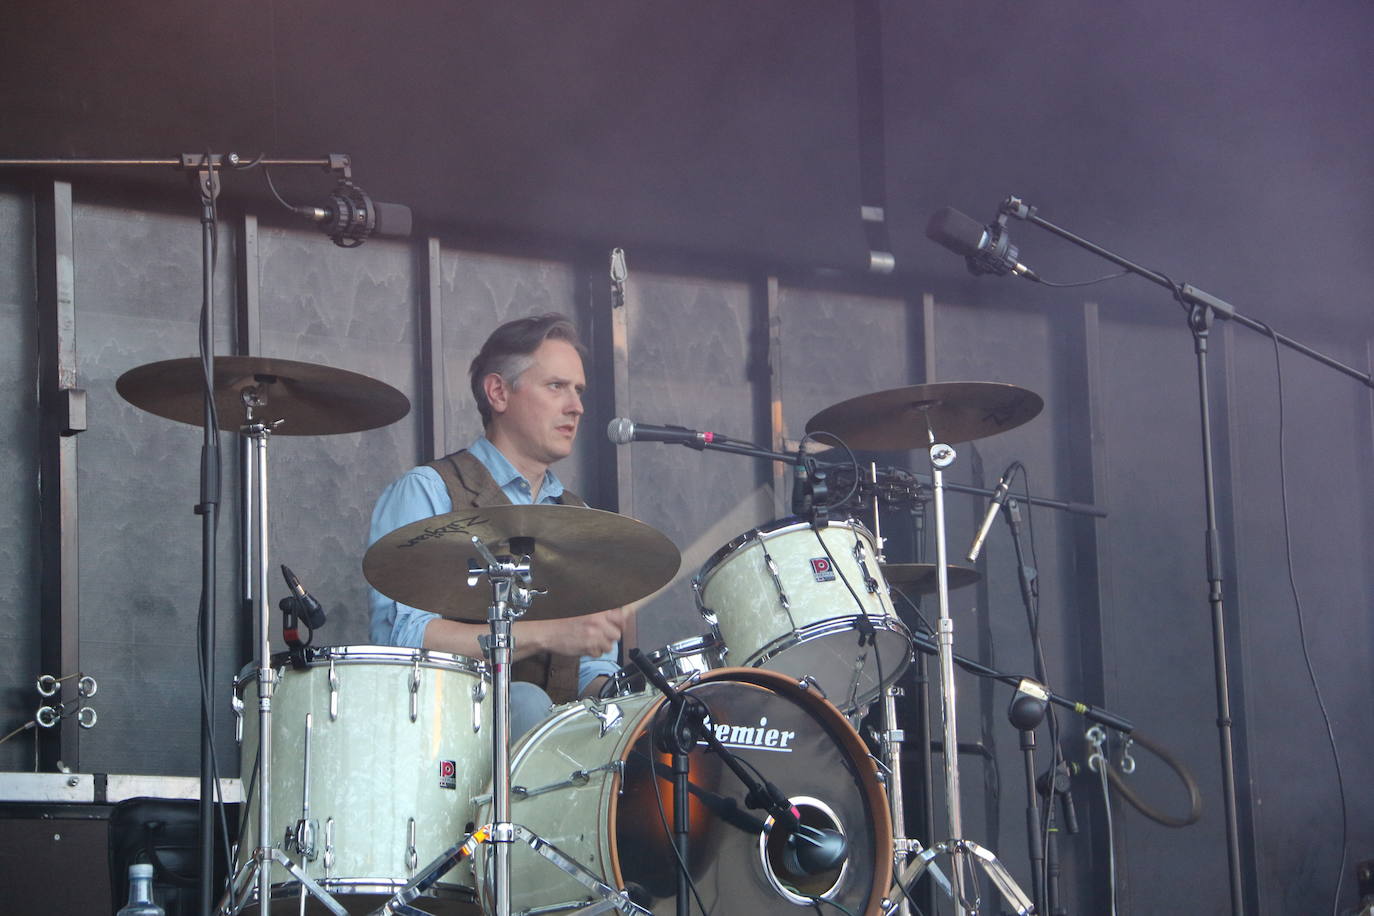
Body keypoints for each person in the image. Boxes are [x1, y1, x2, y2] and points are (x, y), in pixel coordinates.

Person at [368, 313, 626, 736]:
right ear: (498, 392)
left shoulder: (580, 519)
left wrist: (629, 708)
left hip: (560, 756)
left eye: (578, 390)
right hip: (444, 743)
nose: (576, 406)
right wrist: (551, 633)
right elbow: (405, 638)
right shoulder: (428, 492)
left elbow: (594, 673)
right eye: (556, 386)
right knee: (525, 701)